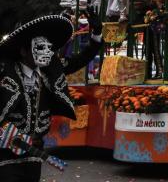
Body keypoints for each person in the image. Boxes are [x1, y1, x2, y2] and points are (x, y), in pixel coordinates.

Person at [0, 13, 103, 181]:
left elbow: (80, 60)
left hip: (35, 150)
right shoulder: (5, 70)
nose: (48, 52)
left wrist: (96, 34)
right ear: (24, 51)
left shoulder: (51, 71)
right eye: (41, 48)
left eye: (49, 48)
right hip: (5, 152)